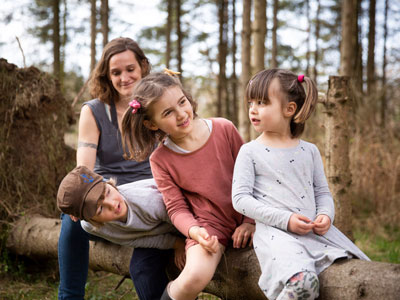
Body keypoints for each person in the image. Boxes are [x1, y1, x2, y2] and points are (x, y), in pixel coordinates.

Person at [231, 68, 370, 300]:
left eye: (263, 102)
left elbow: (322, 192)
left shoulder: (310, 150)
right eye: (251, 102)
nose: (253, 109)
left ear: (289, 109)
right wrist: (286, 220)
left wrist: (326, 215)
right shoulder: (250, 151)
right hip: (277, 234)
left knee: (361, 268)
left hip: (315, 233)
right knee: (303, 283)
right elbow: (240, 199)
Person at [121, 71, 255, 300]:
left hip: (250, 212)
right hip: (208, 225)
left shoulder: (224, 129)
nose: (181, 114)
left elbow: (252, 177)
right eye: (168, 113)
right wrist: (195, 232)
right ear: (152, 124)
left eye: (182, 102)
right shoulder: (160, 160)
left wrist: (251, 222)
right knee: (194, 275)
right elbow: (176, 208)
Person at [58, 37, 171, 300]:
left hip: (150, 199)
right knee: (73, 219)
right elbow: (83, 170)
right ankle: (69, 296)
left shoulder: (159, 105)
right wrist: (80, 200)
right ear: (107, 76)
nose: (124, 78)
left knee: (147, 262)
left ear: (143, 66)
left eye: (130, 69)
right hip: (109, 199)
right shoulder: (94, 111)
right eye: (116, 72)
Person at [57, 165, 185, 269]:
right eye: (100, 209)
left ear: (109, 183)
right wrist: (176, 244)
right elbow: (133, 240)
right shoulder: (89, 226)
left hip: (189, 218)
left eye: (107, 192)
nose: (113, 204)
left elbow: (188, 217)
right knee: (140, 269)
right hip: (165, 233)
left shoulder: (149, 201)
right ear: (91, 220)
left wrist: (188, 242)